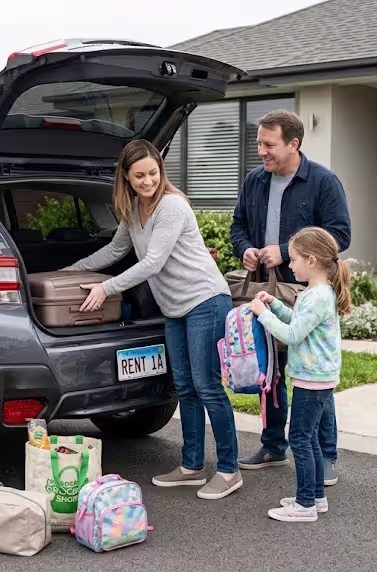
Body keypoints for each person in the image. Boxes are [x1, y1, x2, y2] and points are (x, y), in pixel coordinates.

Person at [64, 139, 242, 500]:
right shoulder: (132, 209)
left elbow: (152, 263)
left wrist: (106, 289)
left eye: (153, 173)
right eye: (140, 176)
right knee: (186, 387)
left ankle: (229, 470)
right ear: (126, 179)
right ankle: (191, 466)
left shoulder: (171, 206)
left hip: (205, 300)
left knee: (207, 386)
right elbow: (116, 250)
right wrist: (70, 270)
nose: (148, 182)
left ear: (162, 172)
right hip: (174, 308)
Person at [230, 109, 351, 486]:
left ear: (293, 144)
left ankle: (325, 454)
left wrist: (284, 251)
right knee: (271, 371)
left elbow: (340, 236)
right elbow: (238, 226)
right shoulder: (254, 180)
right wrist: (246, 249)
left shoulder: (323, 182)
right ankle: (273, 445)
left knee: (313, 375)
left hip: (303, 291)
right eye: (259, 144)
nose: (261, 152)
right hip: (266, 291)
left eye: (269, 145)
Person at [248, 227, 351, 522]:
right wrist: (275, 305)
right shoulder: (317, 293)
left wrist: (261, 314)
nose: (289, 265)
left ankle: (304, 504)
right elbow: (298, 321)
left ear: (311, 260)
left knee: (301, 439)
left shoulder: (317, 296)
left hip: (313, 378)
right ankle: (316, 496)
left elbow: (292, 335)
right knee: (311, 438)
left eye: (293, 260)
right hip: (315, 376)